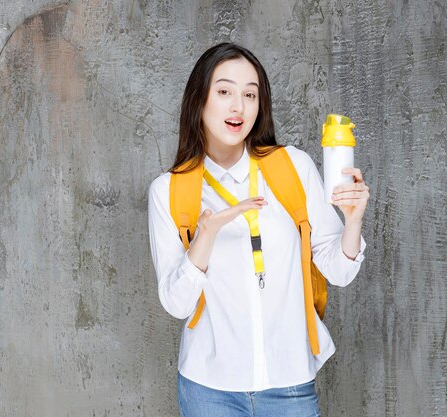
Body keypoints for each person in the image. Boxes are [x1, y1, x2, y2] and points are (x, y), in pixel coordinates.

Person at [147, 43, 369, 417]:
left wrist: (353, 220)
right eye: (224, 92)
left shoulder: (293, 167)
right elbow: (176, 304)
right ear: (199, 101)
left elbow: (339, 271)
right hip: (209, 391)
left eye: (250, 94)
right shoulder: (168, 190)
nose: (239, 106)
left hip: (290, 386)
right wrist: (206, 236)